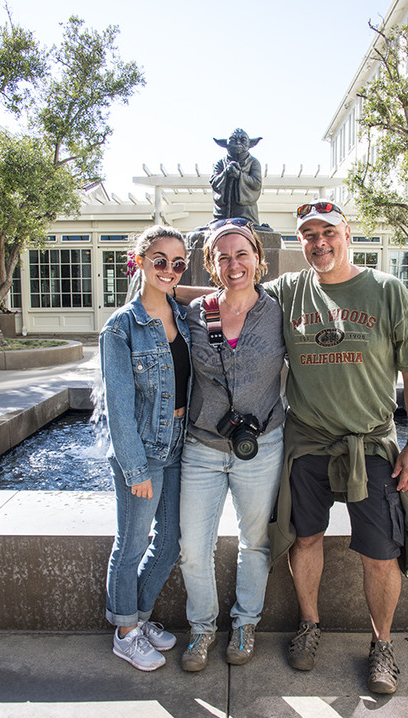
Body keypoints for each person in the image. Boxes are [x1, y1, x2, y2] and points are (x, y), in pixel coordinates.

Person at [264, 201, 408, 694]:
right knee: (306, 539)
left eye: (328, 232)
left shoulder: (386, 291)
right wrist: (158, 288)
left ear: (347, 233)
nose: (319, 243)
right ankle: (309, 626)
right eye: (308, 234)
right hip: (308, 441)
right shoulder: (286, 292)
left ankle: (382, 645)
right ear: (300, 242)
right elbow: (230, 292)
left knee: (382, 554)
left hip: (371, 445)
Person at [178, 219, 285, 672]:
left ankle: (245, 623)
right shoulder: (193, 313)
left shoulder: (279, 311)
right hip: (202, 447)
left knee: (254, 542)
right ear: (211, 264)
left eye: (242, 254)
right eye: (223, 257)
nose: (234, 264)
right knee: (192, 547)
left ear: (258, 260)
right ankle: (201, 629)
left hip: (262, 446)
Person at [99, 225, 191, 671]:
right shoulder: (121, 327)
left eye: (178, 263)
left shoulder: (186, 317)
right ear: (139, 262)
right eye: (159, 260)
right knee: (132, 543)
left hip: (179, 445)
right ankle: (124, 631)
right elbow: (117, 405)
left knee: (170, 542)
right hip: (142, 448)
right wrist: (135, 469)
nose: (169, 270)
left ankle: (141, 616)